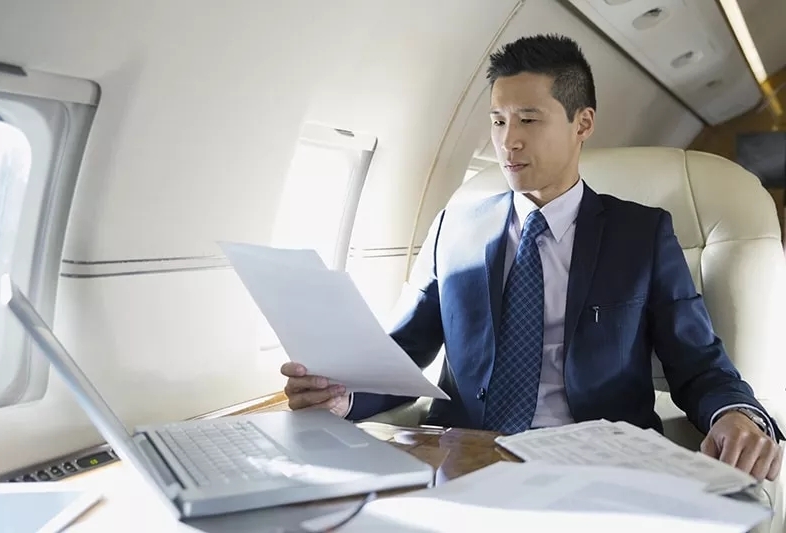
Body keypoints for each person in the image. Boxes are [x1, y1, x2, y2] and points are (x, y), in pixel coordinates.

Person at [281, 34, 783, 481]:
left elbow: (698, 364)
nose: (507, 140)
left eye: (528, 119)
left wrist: (736, 414)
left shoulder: (641, 234)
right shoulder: (452, 228)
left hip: (599, 465)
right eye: (498, 121)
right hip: (468, 461)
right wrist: (343, 396)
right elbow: (404, 354)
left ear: (582, 123)